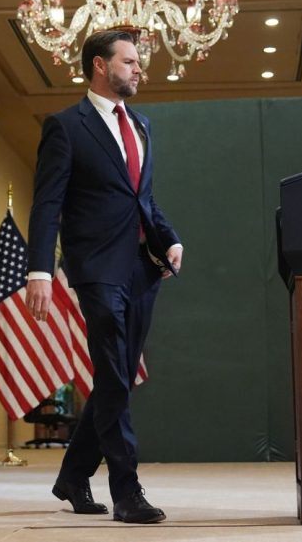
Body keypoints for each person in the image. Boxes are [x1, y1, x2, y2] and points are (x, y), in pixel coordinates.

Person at [26, 30, 183, 524]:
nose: (139, 70)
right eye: (130, 61)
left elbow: (143, 198)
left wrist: (169, 238)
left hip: (142, 268)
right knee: (114, 372)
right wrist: (39, 270)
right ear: (100, 65)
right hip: (96, 267)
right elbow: (47, 203)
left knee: (118, 378)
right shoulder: (65, 126)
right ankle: (127, 491)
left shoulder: (141, 124)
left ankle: (73, 475)